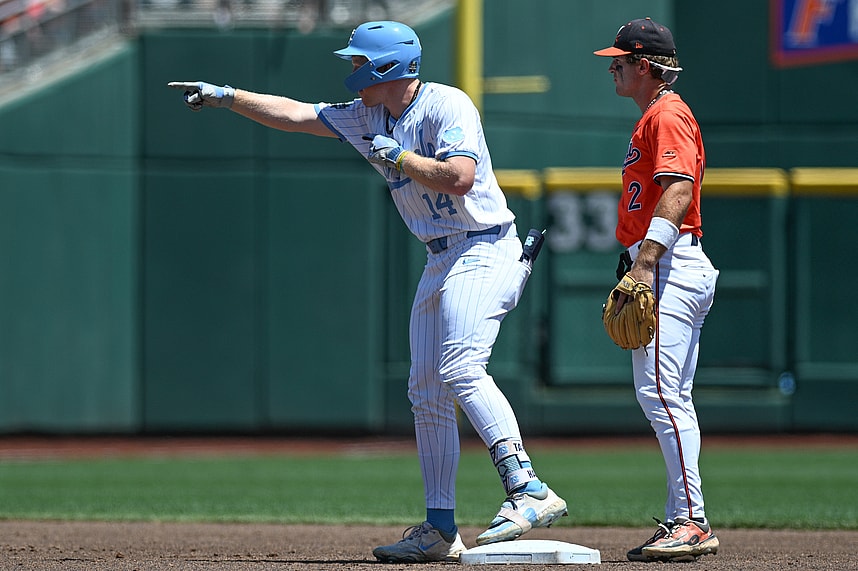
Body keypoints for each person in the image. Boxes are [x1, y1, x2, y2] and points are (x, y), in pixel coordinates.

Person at [168, 20, 567, 564]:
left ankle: (529, 490)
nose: (351, 67)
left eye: (359, 60)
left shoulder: (447, 105)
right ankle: (440, 528)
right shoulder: (366, 115)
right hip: (440, 256)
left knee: (460, 367)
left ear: (387, 66)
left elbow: (459, 179)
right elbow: (297, 115)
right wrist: (229, 97)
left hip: (484, 246)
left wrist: (399, 157)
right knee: (426, 391)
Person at [593, 18, 720, 562]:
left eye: (619, 61)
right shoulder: (657, 114)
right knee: (673, 397)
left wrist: (645, 263)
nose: (612, 68)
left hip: (668, 265)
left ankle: (691, 520)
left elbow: (677, 190)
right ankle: (680, 518)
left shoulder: (666, 113)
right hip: (674, 263)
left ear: (645, 66)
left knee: (661, 396)